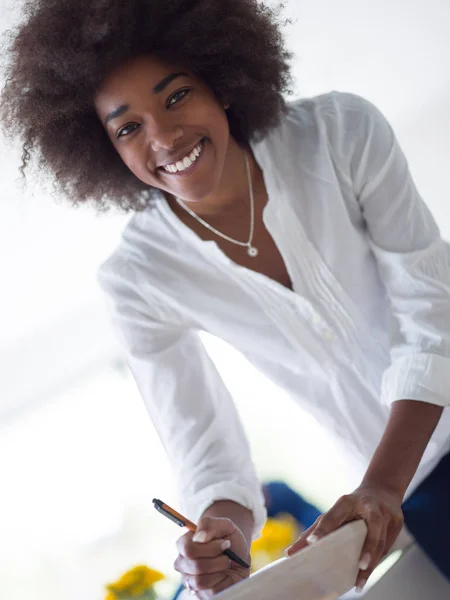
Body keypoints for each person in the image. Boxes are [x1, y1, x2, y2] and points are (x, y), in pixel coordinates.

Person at [1, 1, 450, 598]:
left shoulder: (341, 133)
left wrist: (381, 487)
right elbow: (206, 451)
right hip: (412, 499)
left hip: (395, 488)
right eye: (128, 127)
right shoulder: (137, 280)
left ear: (220, 82)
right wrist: (221, 534)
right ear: (104, 150)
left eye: (176, 96)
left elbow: (433, 313)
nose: (164, 136)